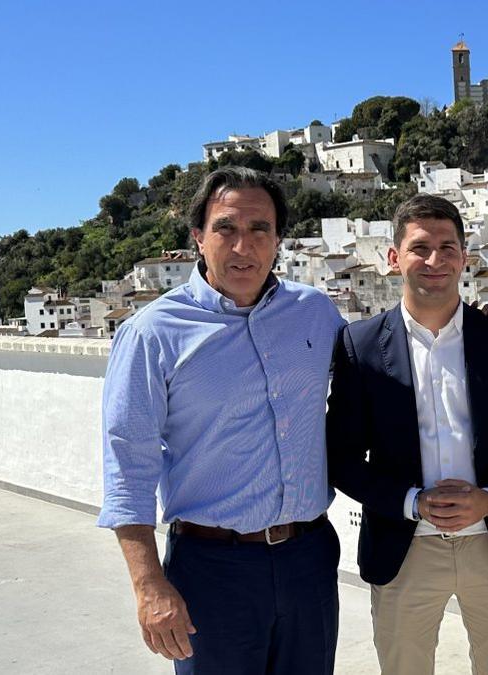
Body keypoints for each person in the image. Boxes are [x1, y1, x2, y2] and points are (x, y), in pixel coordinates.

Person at [97, 167, 347, 673]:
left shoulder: (316, 313)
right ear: (198, 236)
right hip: (212, 569)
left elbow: (378, 382)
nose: (243, 246)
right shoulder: (153, 333)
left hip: (310, 559)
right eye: (225, 228)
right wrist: (149, 587)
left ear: (278, 239)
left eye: (260, 230)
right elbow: (129, 465)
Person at [325, 194, 488, 675]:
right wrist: (411, 501)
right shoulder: (359, 346)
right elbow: (341, 457)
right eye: (420, 247)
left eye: (448, 247)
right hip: (403, 548)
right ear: (393, 258)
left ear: (464, 256)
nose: (435, 260)